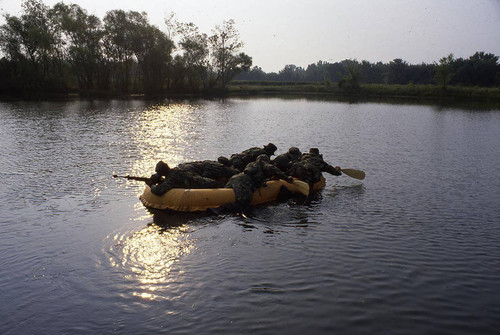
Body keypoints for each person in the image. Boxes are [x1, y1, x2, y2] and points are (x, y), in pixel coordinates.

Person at [225, 154, 293, 212]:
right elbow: (274, 169)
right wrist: (287, 178)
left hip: (235, 178)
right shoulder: (264, 165)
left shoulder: (251, 164)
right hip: (243, 182)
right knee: (245, 202)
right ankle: (223, 209)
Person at [148, 161, 223, 196]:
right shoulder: (175, 170)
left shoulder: (171, 179)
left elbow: (159, 191)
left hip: (201, 184)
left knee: (216, 185)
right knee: (214, 183)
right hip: (200, 180)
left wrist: (151, 185)